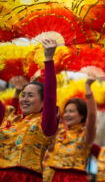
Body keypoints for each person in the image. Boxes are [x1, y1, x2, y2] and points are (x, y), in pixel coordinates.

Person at [0, 39, 58, 181]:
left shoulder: (45, 124)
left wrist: (49, 59)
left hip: (28, 177)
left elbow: (51, 95)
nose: (24, 99)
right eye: (23, 95)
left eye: (30, 95)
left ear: (44, 103)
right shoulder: (9, 117)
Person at [45, 74, 97, 182]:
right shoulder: (58, 132)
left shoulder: (86, 135)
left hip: (75, 178)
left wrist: (87, 87)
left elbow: (92, 115)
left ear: (82, 115)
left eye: (72, 111)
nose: (67, 114)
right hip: (54, 177)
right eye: (66, 111)